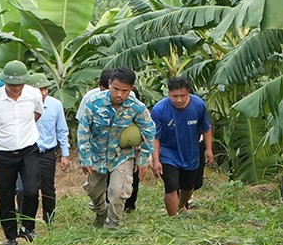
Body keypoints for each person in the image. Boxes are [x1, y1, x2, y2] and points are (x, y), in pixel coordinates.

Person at [76, 66, 157, 229]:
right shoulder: (94, 103)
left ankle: (113, 225)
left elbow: (149, 131)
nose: (119, 94)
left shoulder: (136, 107)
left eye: (124, 91)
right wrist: (85, 158)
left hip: (122, 156)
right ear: (109, 84)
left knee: (118, 192)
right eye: (116, 89)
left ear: (131, 89)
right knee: (93, 190)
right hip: (97, 154)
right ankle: (101, 211)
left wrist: (142, 159)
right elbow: (83, 130)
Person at [0, 60, 42, 245]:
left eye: (19, 83)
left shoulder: (33, 94)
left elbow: (37, 113)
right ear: (5, 81)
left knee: (31, 190)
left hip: (28, 150)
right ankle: (10, 236)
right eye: (12, 84)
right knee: (5, 194)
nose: (16, 87)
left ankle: (28, 227)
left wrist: (24, 129)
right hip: (3, 153)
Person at [151, 75, 214, 216]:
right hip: (168, 152)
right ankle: (173, 218)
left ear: (188, 93)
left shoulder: (198, 105)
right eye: (175, 96)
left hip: (190, 152)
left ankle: (180, 206)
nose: (179, 100)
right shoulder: (159, 109)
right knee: (171, 185)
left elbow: (206, 128)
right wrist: (155, 160)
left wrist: (209, 149)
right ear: (169, 93)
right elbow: (155, 137)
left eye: (182, 96)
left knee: (188, 187)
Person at [26, 73, 70, 224]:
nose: (44, 93)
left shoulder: (55, 105)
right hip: (28, 153)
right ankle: (27, 221)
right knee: (27, 189)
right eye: (40, 90)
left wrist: (65, 154)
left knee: (48, 188)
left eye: (45, 89)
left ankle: (49, 220)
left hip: (47, 153)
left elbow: (62, 130)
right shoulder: (23, 106)